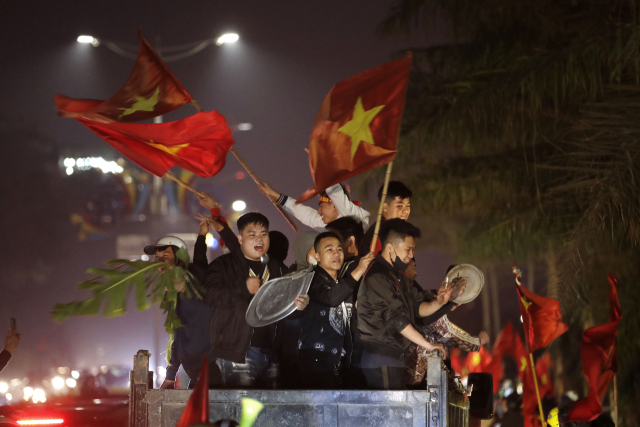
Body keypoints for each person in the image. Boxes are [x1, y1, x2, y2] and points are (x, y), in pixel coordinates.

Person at [203, 212, 310, 389]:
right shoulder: (223, 265)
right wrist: (243, 288)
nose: (259, 239)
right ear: (240, 239)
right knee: (243, 410)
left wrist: (299, 307)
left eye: (264, 234)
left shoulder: (277, 268)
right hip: (237, 353)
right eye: (252, 235)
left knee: (268, 412)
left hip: (271, 354)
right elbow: (209, 295)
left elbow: (284, 310)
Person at [357, 219, 457, 390]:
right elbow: (397, 319)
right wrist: (428, 345)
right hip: (379, 357)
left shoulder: (399, 276)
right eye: (408, 249)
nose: (411, 255)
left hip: (394, 356)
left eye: (413, 249)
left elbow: (418, 308)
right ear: (390, 247)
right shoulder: (377, 276)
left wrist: (440, 302)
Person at [297, 232, 374, 388]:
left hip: (339, 362)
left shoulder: (342, 284)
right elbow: (330, 298)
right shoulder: (311, 279)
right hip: (315, 361)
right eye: (329, 249)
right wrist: (359, 269)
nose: (336, 254)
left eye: (339, 249)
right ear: (317, 256)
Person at [145, 228, 216, 389]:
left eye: (165, 256)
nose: (160, 262)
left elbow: (200, 263)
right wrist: (170, 377)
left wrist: (201, 237)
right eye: (157, 258)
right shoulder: (172, 294)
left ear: (181, 258)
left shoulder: (198, 278)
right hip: (195, 370)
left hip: (212, 367)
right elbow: (178, 336)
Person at [404, 260, 488, 386]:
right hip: (417, 377)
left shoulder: (427, 298)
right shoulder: (429, 300)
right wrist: (477, 342)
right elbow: (449, 333)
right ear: (445, 284)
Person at [259, 182, 370, 231]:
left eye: (321, 206)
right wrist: (274, 194)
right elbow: (305, 214)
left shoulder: (354, 216)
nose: (319, 212)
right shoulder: (331, 224)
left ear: (336, 205)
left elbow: (334, 191)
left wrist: (319, 162)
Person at [360, 181, 412, 255]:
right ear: (385, 207)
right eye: (400, 206)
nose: (405, 211)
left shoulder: (394, 231)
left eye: (408, 206)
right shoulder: (379, 233)